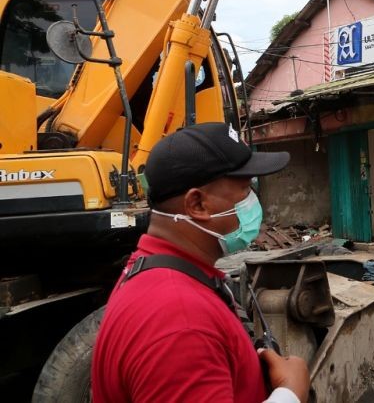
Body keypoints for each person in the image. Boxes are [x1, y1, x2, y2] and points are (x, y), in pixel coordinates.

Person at [91, 122, 311, 403]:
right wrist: (290, 393)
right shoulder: (180, 320)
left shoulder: (156, 272)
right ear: (197, 205)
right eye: (245, 189)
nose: (253, 201)